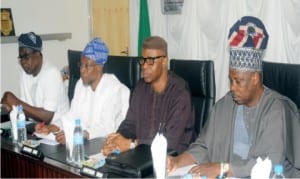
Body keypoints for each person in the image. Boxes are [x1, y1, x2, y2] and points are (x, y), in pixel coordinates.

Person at [167, 16, 300, 178]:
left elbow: (269, 162)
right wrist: (177, 161)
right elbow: (203, 146)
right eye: (230, 80)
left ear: (255, 79)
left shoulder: (276, 109)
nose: (232, 87)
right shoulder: (224, 105)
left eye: (239, 81)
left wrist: (222, 168)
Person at [102, 36, 195, 155]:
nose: (144, 66)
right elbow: (130, 124)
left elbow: (170, 142)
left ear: (164, 60)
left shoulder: (180, 93)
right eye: (143, 60)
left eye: (151, 60)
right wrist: (117, 139)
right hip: (142, 155)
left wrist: (131, 143)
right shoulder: (141, 87)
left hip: (172, 160)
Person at [37, 37, 130, 143]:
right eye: (81, 64)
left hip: (106, 145)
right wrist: (51, 127)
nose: (81, 70)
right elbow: (72, 116)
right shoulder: (81, 84)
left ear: (99, 67)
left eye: (87, 66)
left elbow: (107, 129)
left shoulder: (114, 89)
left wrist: (77, 135)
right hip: (84, 144)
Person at [1, 32, 69, 125]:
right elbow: (24, 110)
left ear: (38, 54)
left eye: (26, 56)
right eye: (21, 57)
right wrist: (11, 108)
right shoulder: (24, 73)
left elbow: (47, 117)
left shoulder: (51, 73)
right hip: (36, 127)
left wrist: (15, 102)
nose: (23, 62)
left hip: (58, 129)